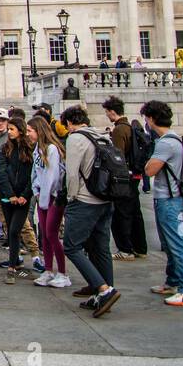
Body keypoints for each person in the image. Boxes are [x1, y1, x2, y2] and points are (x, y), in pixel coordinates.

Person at [60, 105, 121, 316]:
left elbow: (72, 174)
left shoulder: (76, 138)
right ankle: (103, 293)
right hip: (106, 199)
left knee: (71, 246)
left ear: (68, 123)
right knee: (100, 248)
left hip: (85, 201)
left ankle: (103, 289)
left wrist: (71, 197)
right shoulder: (104, 137)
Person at [140, 100, 183, 306]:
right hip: (168, 198)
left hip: (169, 199)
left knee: (177, 243)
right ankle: (173, 281)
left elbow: (149, 170)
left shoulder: (166, 142)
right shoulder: (172, 139)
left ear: (151, 119)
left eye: (146, 118)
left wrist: (149, 162)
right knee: (170, 242)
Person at [27, 115, 72, 288]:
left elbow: (52, 177)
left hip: (53, 197)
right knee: (45, 235)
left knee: (51, 233)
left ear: (39, 131)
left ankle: (62, 272)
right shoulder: (38, 148)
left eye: (30, 131)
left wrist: (44, 198)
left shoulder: (52, 149)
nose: (28, 134)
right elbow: (35, 173)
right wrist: (36, 191)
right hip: (42, 196)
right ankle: (48, 269)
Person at [103, 96, 148, 260]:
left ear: (113, 112)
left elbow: (116, 157)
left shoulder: (119, 130)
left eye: (107, 112)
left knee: (121, 213)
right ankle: (140, 247)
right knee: (135, 212)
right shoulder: (130, 126)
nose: (107, 115)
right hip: (134, 176)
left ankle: (125, 249)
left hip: (123, 178)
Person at [0, 117, 34, 282]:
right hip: (7, 197)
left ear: (20, 130)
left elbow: (34, 175)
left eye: (12, 129)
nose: (9, 132)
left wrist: (25, 195)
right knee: (11, 230)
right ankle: (14, 261)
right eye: (8, 129)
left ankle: (12, 267)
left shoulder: (30, 149)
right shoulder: (5, 148)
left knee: (15, 230)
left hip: (23, 197)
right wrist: (10, 194)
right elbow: (0, 172)